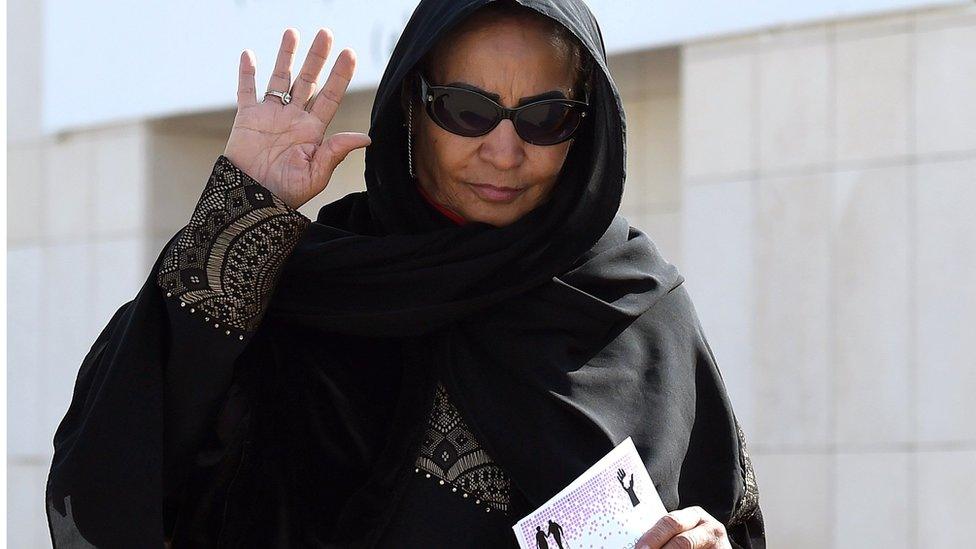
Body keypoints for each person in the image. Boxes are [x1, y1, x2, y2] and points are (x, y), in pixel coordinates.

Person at [44, 0, 766, 548]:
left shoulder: (641, 309)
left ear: (590, 126)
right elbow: (110, 476)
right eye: (468, 110)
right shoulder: (308, 286)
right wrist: (234, 218)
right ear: (412, 110)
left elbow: (726, 512)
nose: (505, 151)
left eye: (545, 117)